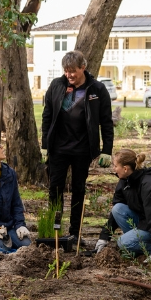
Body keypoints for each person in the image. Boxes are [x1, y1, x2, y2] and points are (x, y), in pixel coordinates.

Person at [41, 50, 114, 244]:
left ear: (83, 67)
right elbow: (47, 115)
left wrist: (107, 150)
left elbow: (106, 122)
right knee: (55, 189)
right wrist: (45, 144)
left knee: (78, 189)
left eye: (73, 71)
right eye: (66, 71)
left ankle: (75, 232)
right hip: (58, 148)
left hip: (83, 149)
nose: (69, 75)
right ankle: (55, 229)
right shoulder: (57, 85)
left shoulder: (97, 89)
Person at [95, 149, 151, 264]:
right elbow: (116, 212)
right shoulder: (125, 181)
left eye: (115, 166)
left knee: (123, 243)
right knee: (118, 209)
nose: (114, 169)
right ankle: (138, 245)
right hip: (144, 222)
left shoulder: (149, 186)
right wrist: (104, 237)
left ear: (125, 168)